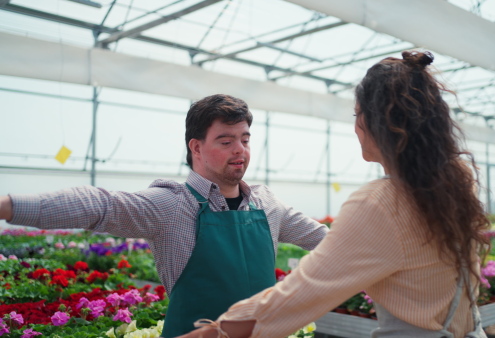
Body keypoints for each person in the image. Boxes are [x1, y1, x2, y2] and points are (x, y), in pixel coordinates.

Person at [176, 52, 491, 338]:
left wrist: (213, 333)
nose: (355, 127)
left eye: (357, 115)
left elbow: (299, 294)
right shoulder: (457, 179)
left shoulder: (381, 202)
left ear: (374, 121)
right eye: (226, 140)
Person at [0, 94, 329, 338]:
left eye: (244, 140)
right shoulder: (173, 205)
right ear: (196, 148)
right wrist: (7, 205)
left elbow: (329, 242)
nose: (240, 149)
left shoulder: (268, 204)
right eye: (226, 141)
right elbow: (99, 204)